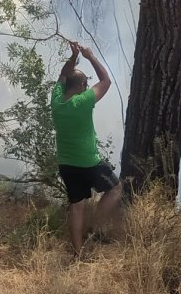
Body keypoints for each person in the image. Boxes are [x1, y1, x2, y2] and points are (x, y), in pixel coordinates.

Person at [51, 41, 121, 256]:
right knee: (116, 189)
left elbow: (63, 75)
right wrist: (89, 56)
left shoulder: (56, 100)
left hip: (66, 164)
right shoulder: (83, 101)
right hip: (89, 162)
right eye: (85, 83)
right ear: (82, 85)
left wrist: (73, 57)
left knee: (77, 206)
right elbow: (106, 81)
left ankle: (78, 252)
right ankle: (97, 224)